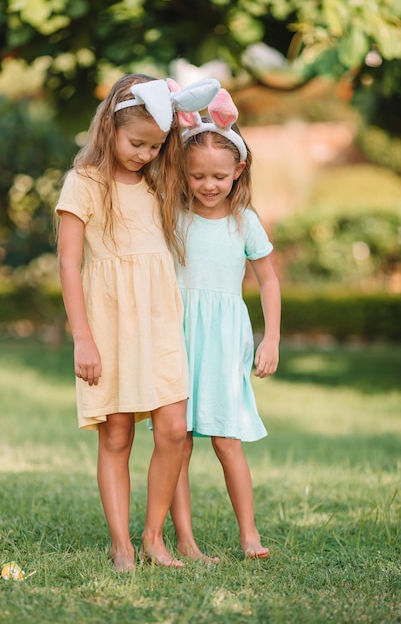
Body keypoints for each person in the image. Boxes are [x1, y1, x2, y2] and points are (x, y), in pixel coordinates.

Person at [55, 74, 220, 572]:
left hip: (159, 318)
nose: (145, 153)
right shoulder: (84, 182)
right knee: (118, 433)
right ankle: (122, 544)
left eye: (155, 144)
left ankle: (154, 537)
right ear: (109, 126)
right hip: (108, 322)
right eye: (136, 142)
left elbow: (216, 153)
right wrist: (82, 338)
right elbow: (68, 263)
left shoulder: (158, 179)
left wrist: (192, 116)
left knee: (173, 429)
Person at [169, 89, 281, 562]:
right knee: (175, 440)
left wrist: (270, 337)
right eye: (197, 175)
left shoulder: (244, 221)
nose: (208, 185)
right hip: (176, 336)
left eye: (218, 175)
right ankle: (184, 540)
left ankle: (249, 534)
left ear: (238, 171)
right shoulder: (172, 217)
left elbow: (269, 280)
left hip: (223, 339)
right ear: (183, 173)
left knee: (226, 439)